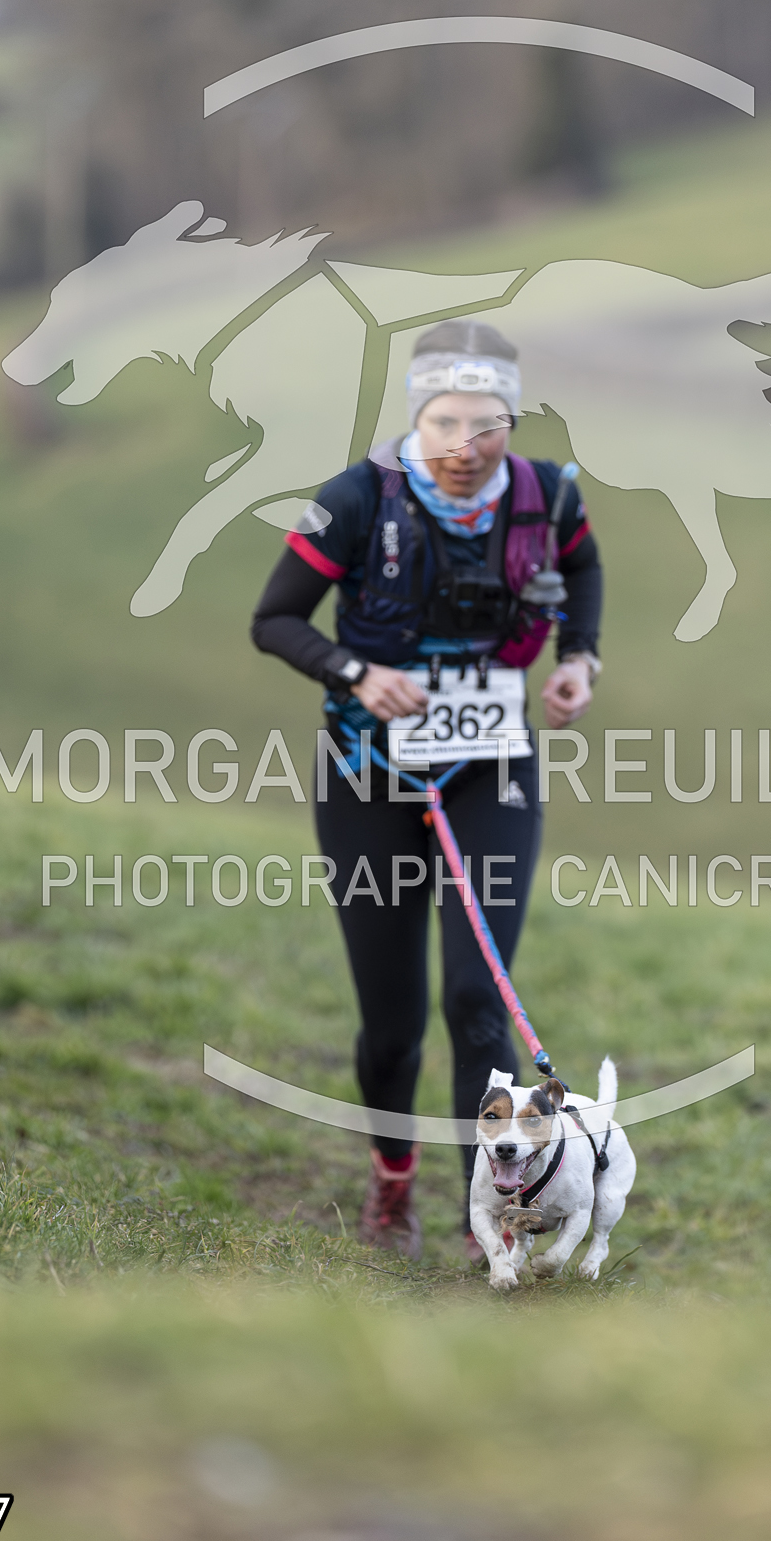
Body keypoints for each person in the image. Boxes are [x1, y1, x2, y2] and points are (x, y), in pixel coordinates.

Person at [251, 317, 602, 1260]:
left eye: (485, 425)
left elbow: (583, 567)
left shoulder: (549, 495)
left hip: (492, 770)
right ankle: (393, 1178)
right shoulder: (353, 500)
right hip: (365, 777)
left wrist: (580, 660)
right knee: (394, 1020)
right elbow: (274, 619)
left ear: (510, 422)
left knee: (477, 998)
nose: (463, 445)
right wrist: (355, 673)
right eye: (444, 421)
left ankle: (490, 1210)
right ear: (418, 414)